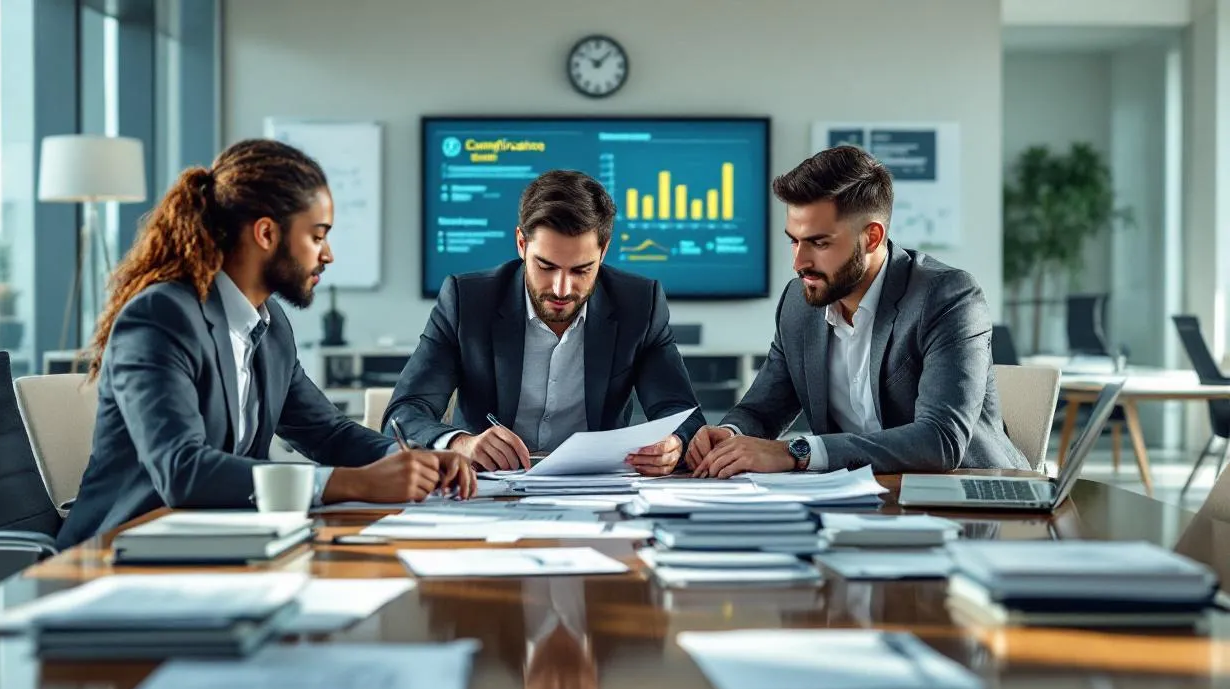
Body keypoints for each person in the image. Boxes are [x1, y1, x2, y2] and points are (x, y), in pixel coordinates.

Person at [59, 139, 475, 549]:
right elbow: (181, 470)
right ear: (266, 233)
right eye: (317, 236)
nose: (327, 255)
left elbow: (327, 433)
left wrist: (408, 458)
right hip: (117, 556)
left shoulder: (271, 329)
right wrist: (352, 482)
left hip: (221, 548)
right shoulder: (162, 318)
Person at [689, 145, 1028, 477]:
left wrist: (798, 452)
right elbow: (761, 410)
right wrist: (730, 434)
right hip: (857, 502)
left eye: (819, 243)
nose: (799, 262)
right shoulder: (799, 303)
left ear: (871, 237)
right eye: (794, 240)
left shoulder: (947, 297)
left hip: (970, 499)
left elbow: (939, 440)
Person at [383, 169, 705, 475]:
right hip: (490, 488)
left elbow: (680, 411)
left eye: (581, 270)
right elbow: (405, 412)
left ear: (604, 251)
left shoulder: (639, 303)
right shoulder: (466, 301)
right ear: (522, 244)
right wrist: (461, 443)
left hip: (599, 490)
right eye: (546, 266)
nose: (561, 289)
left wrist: (673, 444)